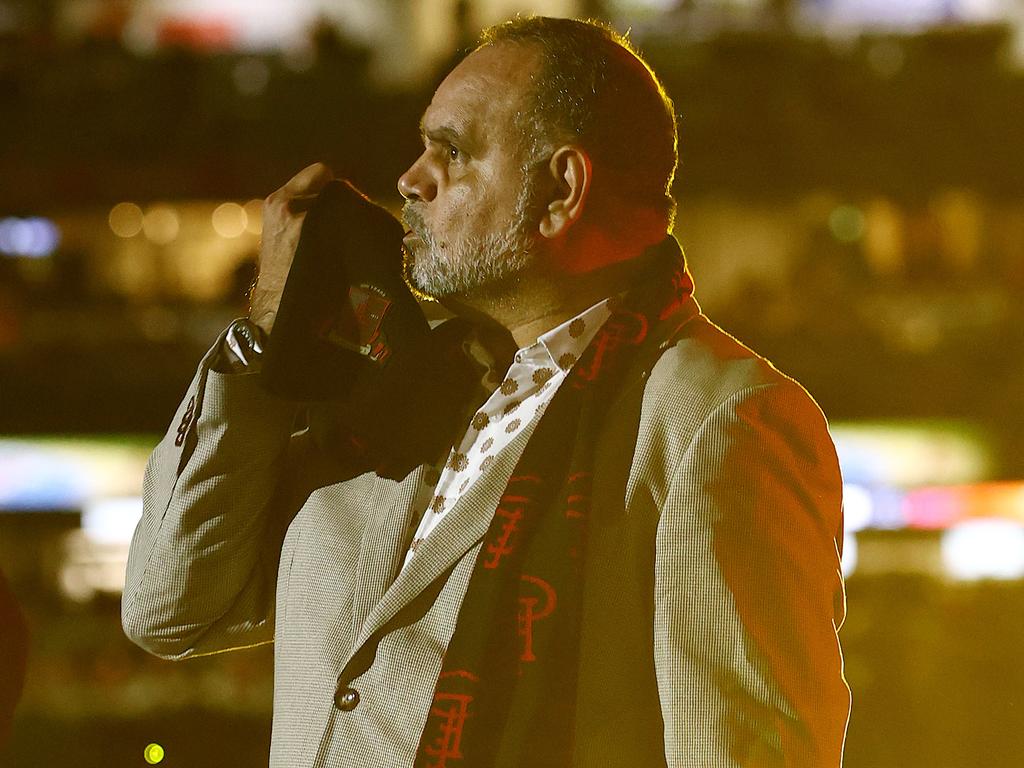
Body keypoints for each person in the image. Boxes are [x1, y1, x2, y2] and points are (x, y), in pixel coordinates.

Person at [122, 16, 850, 767]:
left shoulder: (718, 418)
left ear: (562, 188)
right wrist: (267, 338)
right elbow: (168, 611)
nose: (410, 179)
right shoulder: (405, 390)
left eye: (453, 151)